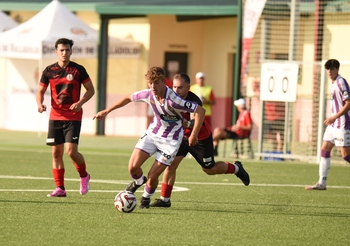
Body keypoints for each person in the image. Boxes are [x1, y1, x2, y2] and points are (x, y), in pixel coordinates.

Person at [93, 66, 205, 208]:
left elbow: (201, 111)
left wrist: (194, 134)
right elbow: (128, 98)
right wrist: (106, 111)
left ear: (164, 82)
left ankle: (146, 198)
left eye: (156, 83)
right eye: (150, 83)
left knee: (153, 176)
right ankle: (139, 181)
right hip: (152, 134)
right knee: (133, 168)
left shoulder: (174, 100)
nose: (153, 86)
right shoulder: (148, 94)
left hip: (170, 141)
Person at [150, 73, 250, 208]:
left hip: (200, 137)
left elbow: (195, 120)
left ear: (188, 88)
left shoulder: (194, 100)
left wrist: (191, 130)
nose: (176, 91)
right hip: (181, 138)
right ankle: (165, 199)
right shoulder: (170, 96)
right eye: (174, 87)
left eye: (180, 88)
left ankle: (236, 168)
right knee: (171, 164)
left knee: (209, 169)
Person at [36, 38, 95, 197]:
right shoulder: (49, 70)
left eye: (67, 50)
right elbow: (40, 91)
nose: (64, 53)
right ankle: (60, 188)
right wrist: (40, 105)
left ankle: (84, 175)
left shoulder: (78, 70)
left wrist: (80, 102)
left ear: (71, 51)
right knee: (56, 153)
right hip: (55, 116)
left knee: (71, 151)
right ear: (56, 52)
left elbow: (90, 90)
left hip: (73, 117)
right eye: (61, 50)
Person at [305, 59, 350, 190]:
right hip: (333, 125)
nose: (330, 72)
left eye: (332, 69)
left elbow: (348, 103)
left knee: (346, 156)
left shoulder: (341, 82)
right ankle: (322, 183)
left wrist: (334, 117)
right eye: (328, 69)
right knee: (324, 150)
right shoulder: (333, 83)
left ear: (337, 69)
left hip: (342, 124)